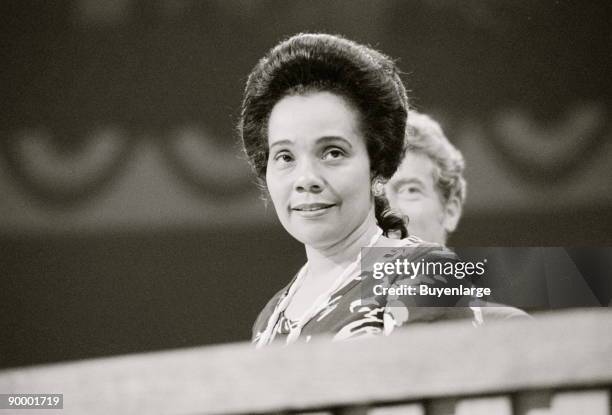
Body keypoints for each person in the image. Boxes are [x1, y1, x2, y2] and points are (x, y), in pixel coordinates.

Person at [239, 33, 477, 348]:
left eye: (332, 152)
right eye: (285, 157)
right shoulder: (270, 318)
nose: (306, 178)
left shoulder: (428, 274)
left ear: (377, 165)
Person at [385, 111, 529, 319]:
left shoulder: (506, 326)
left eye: (410, 190)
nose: (388, 212)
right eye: (372, 195)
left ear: (450, 210)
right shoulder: (330, 333)